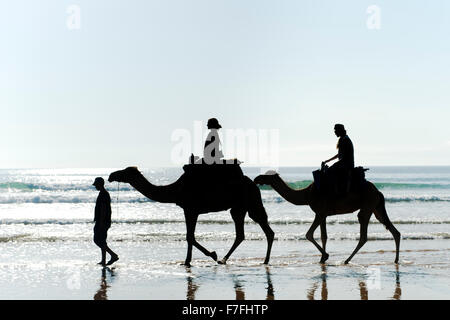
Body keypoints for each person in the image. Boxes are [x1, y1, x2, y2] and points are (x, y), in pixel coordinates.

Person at [92, 177, 119, 266]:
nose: (95, 186)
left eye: (96, 185)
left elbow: (103, 209)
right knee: (102, 241)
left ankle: (113, 255)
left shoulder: (103, 194)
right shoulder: (103, 193)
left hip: (102, 221)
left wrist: (101, 222)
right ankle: (103, 260)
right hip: (103, 221)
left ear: (100, 184)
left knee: (97, 240)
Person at [322, 124, 354, 194]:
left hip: (346, 165)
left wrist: (334, 164)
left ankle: (337, 192)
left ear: (340, 131)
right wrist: (328, 160)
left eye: (335, 130)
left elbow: (344, 157)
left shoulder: (345, 140)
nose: (335, 132)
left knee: (329, 171)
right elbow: (339, 154)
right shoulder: (342, 139)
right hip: (343, 164)